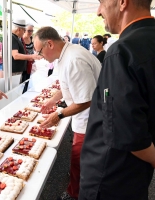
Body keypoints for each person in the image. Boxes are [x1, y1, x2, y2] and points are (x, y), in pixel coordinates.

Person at [79, 0, 155, 199]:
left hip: (108, 175)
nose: (98, 11)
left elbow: (123, 129)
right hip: (136, 174)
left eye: (101, 2)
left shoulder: (122, 51)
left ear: (122, 2)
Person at [33, 26, 102, 200]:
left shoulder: (74, 60)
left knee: (79, 160)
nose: (40, 56)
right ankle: (76, 188)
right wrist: (52, 100)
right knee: (78, 160)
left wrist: (59, 114)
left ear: (49, 44)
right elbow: (67, 84)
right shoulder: (67, 54)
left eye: (40, 52)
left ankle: (75, 194)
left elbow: (85, 100)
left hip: (89, 121)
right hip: (84, 118)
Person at [22, 24, 35, 93]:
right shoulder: (21, 39)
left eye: (32, 31)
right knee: (23, 81)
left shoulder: (31, 38)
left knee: (28, 80)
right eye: (29, 31)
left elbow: (33, 48)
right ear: (24, 30)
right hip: (24, 64)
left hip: (30, 63)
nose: (30, 32)